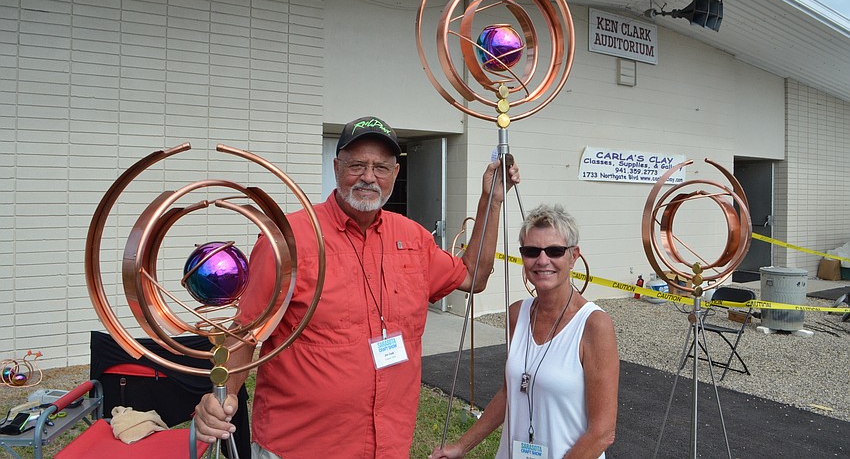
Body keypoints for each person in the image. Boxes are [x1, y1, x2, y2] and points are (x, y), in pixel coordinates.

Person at [194, 115, 520, 459]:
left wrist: (492, 200)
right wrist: (224, 395)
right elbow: (245, 333)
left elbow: (473, 276)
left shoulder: (413, 238)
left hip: (389, 445)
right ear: (337, 168)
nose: (368, 177)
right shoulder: (288, 240)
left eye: (381, 167)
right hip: (300, 447)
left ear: (395, 172)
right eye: (357, 165)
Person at [431, 204, 618, 459]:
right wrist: (461, 446)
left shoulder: (594, 324)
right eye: (532, 251)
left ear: (573, 256)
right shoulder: (517, 314)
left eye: (554, 251)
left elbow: (602, 432)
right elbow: (510, 392)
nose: (542, 260)